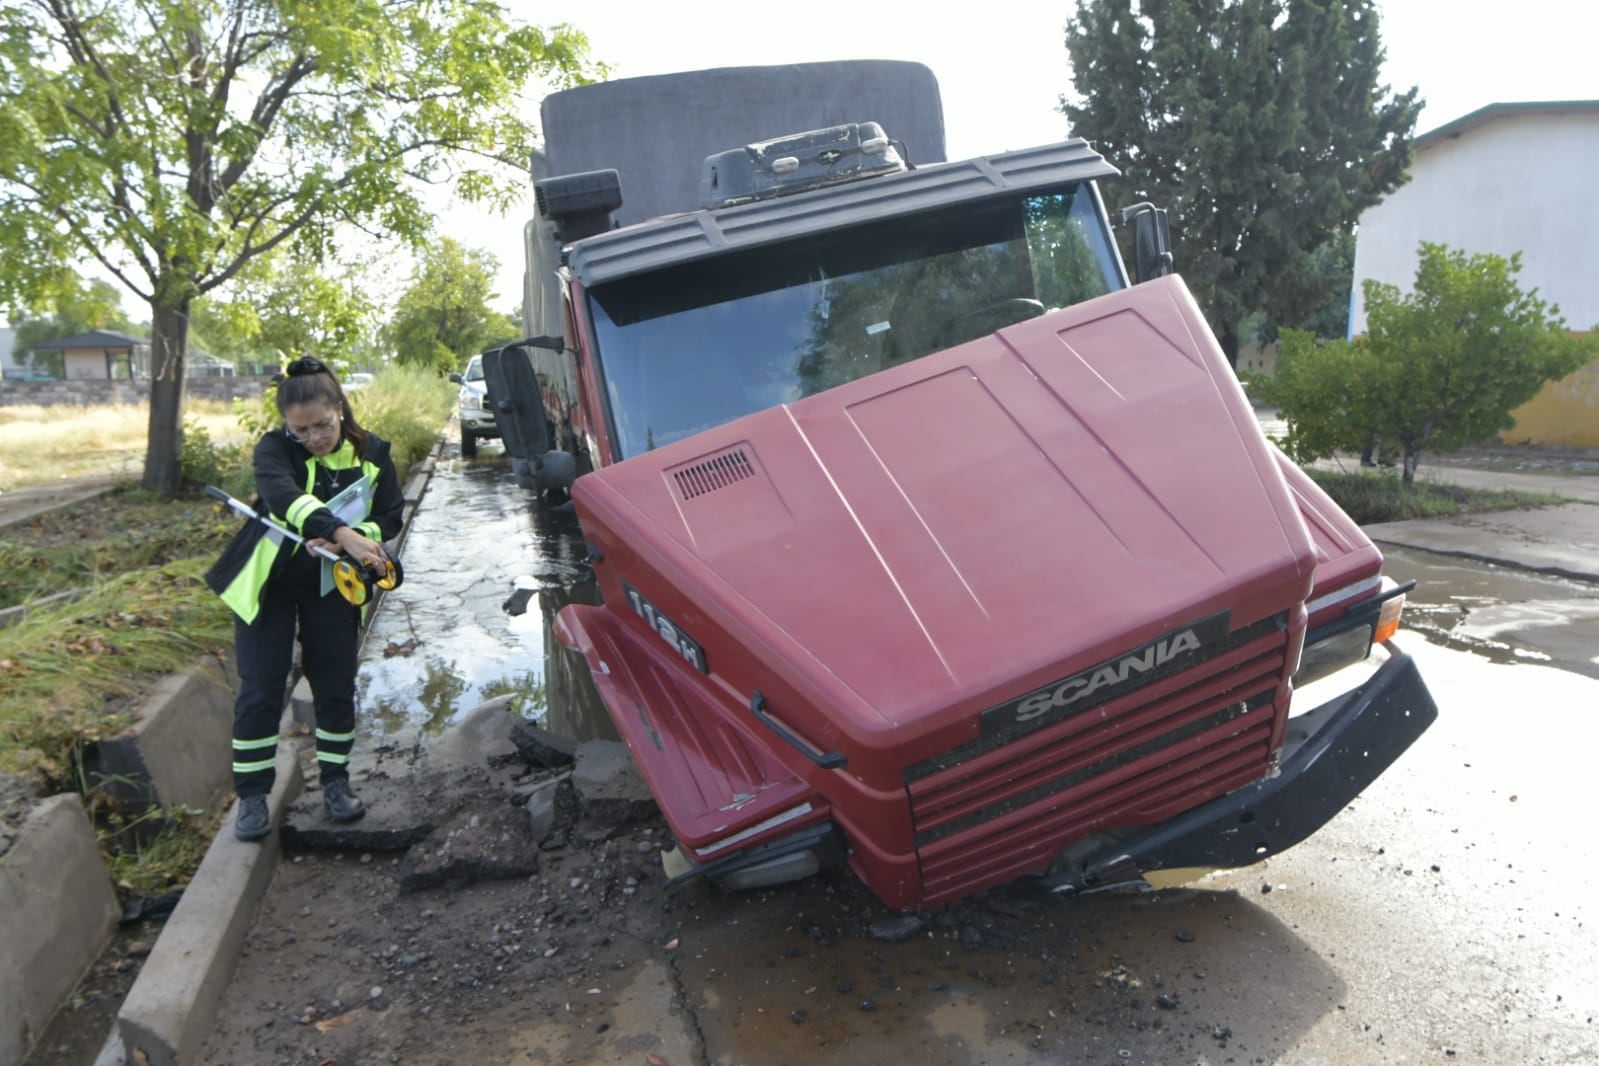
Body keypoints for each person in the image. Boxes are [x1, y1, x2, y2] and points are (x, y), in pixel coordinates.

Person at [210, 356, 405, 841]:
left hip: (332, 582)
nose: (314, 438)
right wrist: (337, 529)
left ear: (340, 408)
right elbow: (284, 498)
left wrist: (355, 537)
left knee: (335, 683)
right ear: (287, 427)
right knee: (260, 687)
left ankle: (336, 783)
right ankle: (253, 795)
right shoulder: (274, 450)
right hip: (269, 582)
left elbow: (392, 515)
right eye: (302, 431)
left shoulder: (374, 452)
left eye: (322, 425)